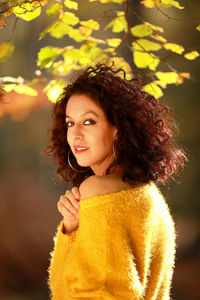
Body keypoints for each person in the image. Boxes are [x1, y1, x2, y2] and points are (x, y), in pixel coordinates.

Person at [44, 63, 188, 299]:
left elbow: (97, 292)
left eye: (89, 121)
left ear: (118, 129)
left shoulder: (98, 190)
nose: (75, 133)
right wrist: (72, 227)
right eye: (70, 123)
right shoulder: (149, 195)